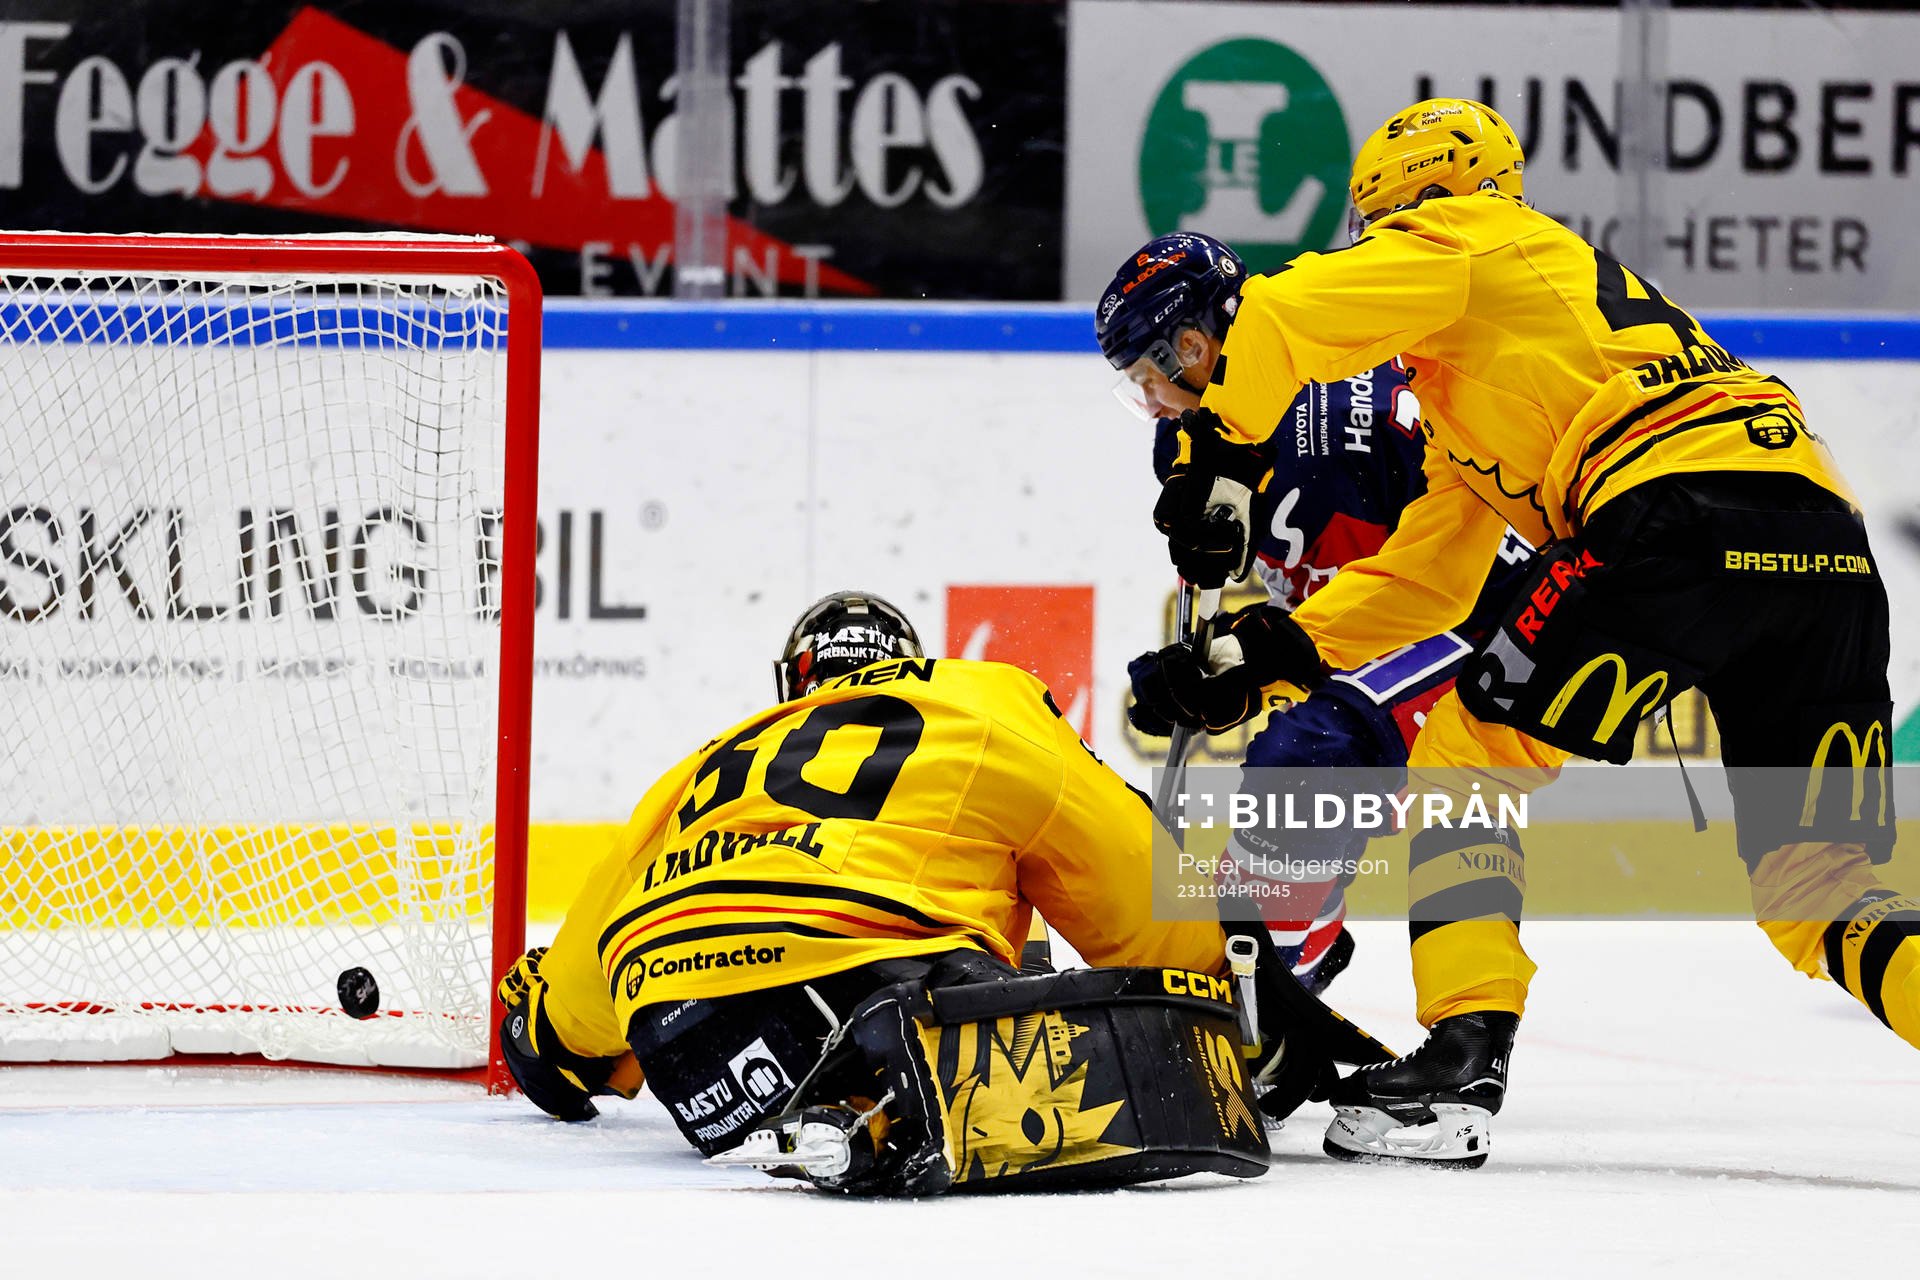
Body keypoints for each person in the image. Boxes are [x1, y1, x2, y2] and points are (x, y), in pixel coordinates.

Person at [1138, 97, 1916, 1169]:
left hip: (1671, 515)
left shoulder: (1463, 236)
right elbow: (1432, 576)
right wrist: (1267, 647)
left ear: (1406, 207)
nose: (1376, 248)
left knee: (1466, 761)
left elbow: (1280, 313)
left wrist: (1218, 453)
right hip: (1819, 534)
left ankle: (1461, 1062)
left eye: (1377, 229)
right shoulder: (1503, 356)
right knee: (1819, 881)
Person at [495, 590, 1385, 1195]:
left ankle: (836, 1084)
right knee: (1002, 975)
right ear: (908, 664)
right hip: (874, 964)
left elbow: (569, 1009)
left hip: (684, 1018)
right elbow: (1128, 875)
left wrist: (544, 1044)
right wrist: (1242, 1007)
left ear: (794, 686)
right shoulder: (976, 701)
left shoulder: (698, 769)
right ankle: (877, 1075)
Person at [1096, 231, 1534, 994]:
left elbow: (1405, 589)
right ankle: (1291, 943)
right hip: (1384, 616)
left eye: (1148, 379)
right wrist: (1213, 665)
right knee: (1301, 756)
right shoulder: (1192, 435)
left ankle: (1267, 984)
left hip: (1492, 614)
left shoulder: (1349, 410)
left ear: (1193, 347)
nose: (1154, 405)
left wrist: (1261, 663)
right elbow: (1301, 603)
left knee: (1309, 758)